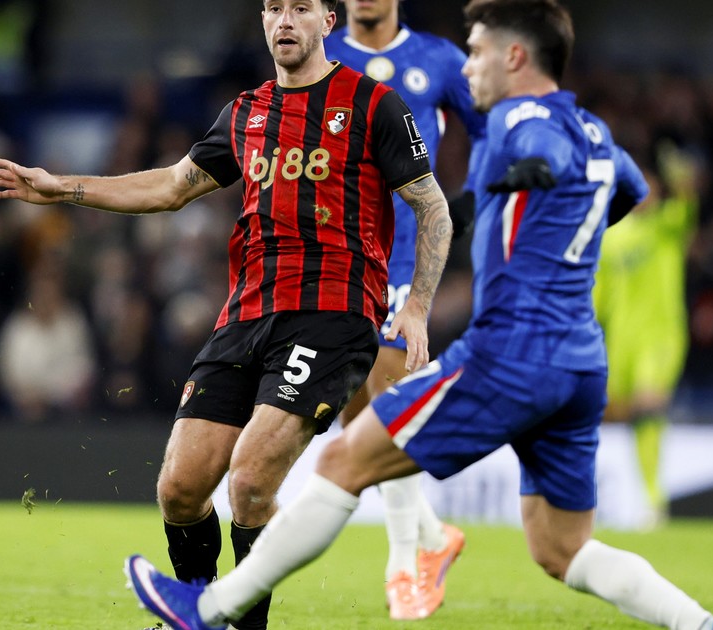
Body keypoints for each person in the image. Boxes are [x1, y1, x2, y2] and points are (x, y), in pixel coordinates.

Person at [122, 2, 713, 629]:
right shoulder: (595, 131)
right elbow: (630, 191)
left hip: (509, 355)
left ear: (515, 58)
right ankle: (704, 625)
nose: (467, 67)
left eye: (478, 53)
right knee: (563, 549)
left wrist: (538, 174)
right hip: (579, 361)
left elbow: (541, 148)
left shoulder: (519, 119)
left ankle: (211, 607)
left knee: (342, 463)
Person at [0, 0, 452, 627]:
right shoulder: (247, 112)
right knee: (179, 490)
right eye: (274, 8)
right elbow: (172, 186)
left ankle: (232, 620)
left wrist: (417, 305)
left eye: (301, 8)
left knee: (250, 483)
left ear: (327, 22)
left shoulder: (373, 104)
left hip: (333, 314)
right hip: (246, 314)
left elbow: (432, 207)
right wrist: (62, 187)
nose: (285, 20)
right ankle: (197, 613)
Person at [323, 0, 485, 618]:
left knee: (388, 392)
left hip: (404, 254)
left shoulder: (438, 59)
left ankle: (404, 567)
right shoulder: (322, 54)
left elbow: (492, 127)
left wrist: (470, 200)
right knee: (355, 415)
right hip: (336, 253)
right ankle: (435, 536)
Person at [593, 140, 699, 529]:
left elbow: (687, 206)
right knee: (612, 414)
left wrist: (681, 177)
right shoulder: (610, 239)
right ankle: (587, 497)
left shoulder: (666, 227)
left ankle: (654, 501)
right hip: (620, 343)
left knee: (648, 408)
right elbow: (597, 297)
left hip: (661, 337)